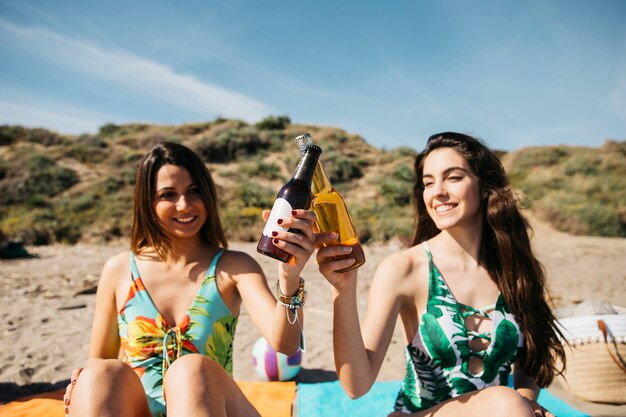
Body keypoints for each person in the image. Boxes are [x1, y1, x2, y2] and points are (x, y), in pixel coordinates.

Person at [316, 132, 566, 417]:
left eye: (454, 177)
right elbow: (356, 385)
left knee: (509, 403)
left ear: (484, 187)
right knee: (504, 402)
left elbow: (530, 364)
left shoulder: (514, 269)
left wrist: (526, 401)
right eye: (428, 182)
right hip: (421, 414)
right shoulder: (405, 268)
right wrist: (343, 290)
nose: (438, 192)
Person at [63, 142, 316, 417]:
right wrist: (85, 380)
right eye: (168, 195)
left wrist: (289, 276)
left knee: (191, 370)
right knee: (99, 373)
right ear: (148, 202)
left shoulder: (234, 267)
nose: (184, 205)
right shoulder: (119, 269)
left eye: (193, 191)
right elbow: (100, 358)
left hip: (210, 407)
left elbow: (287, 345)